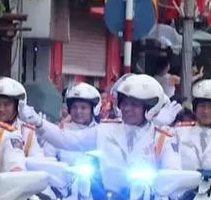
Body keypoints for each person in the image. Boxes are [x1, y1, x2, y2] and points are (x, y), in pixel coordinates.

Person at [28, 73, 180, 174]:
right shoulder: (105, 130)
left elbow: (172, 173)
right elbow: (67, 140)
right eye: (124, 103)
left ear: (149, 108)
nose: (126, 108)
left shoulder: (163, 138)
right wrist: (39, 123)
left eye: (134, 104)